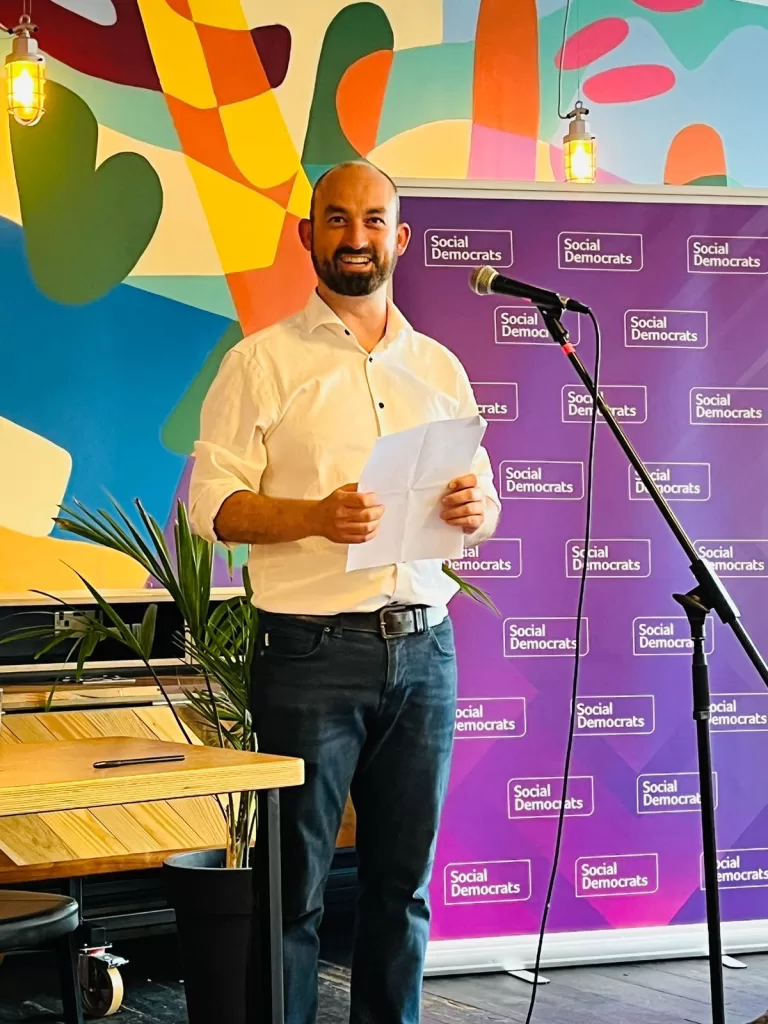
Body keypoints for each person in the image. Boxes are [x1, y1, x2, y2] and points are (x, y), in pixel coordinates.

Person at [189, 161, 500, 1024]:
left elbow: (479, 506)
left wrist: (478, 506)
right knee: (297, 895)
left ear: (399, 238)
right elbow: (216, 508)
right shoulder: (261, 363)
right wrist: (316, 516)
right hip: (308, 655)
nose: (354, 236)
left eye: (372, 220)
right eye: (336, 219)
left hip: (425, 652)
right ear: (308, 236)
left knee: (401, 892)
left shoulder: (438, 366)